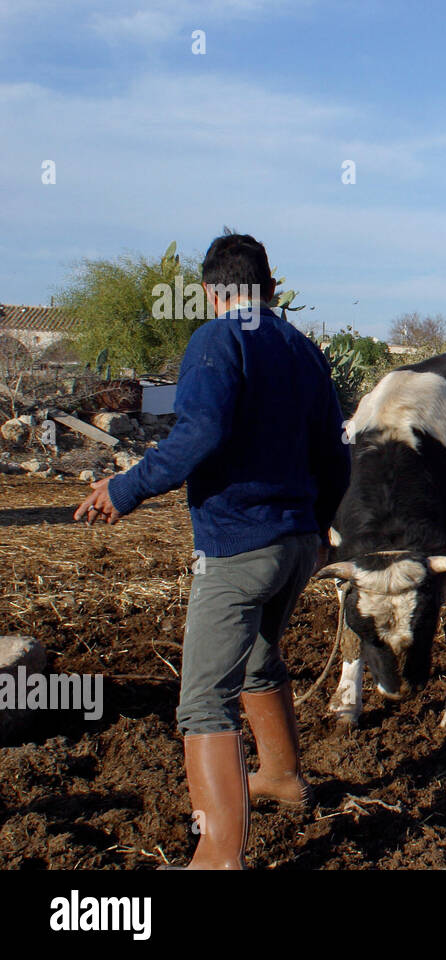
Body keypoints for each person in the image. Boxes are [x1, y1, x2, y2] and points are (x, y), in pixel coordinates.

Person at [75, 232, 351, 869]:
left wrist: (125, 487)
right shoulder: (303, 351)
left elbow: (199, 434)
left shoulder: (215, 341)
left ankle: (220, 854)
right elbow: (336, 454)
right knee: (259, 659)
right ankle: (281, 777)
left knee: (202, 702)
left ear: (207, 292)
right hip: (294, 547)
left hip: (238, 550)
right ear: (270, 289)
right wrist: (319, 528)